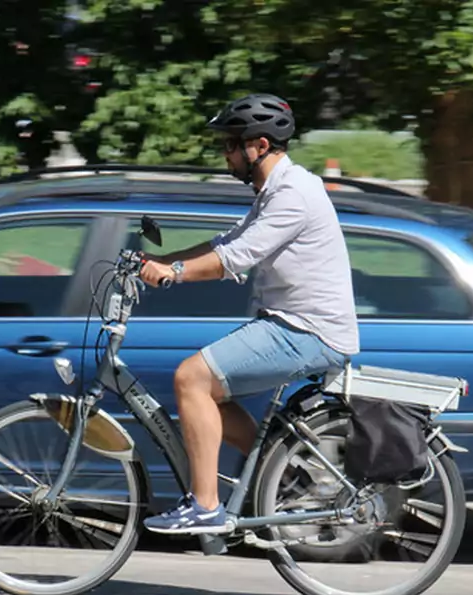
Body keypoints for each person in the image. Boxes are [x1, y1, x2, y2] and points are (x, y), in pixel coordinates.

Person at [139, 93, 361, 535]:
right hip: (291, 324)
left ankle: (205, 506)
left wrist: (174, 274)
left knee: (191, 378)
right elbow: (226, 242)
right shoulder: (276, 190)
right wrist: (153, 262)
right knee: (208, 393)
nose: (225, 154)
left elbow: (237, 256)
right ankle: (277, 467)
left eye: (230, 144)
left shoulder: (294, 194)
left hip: (309, 331)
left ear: (258, 146)